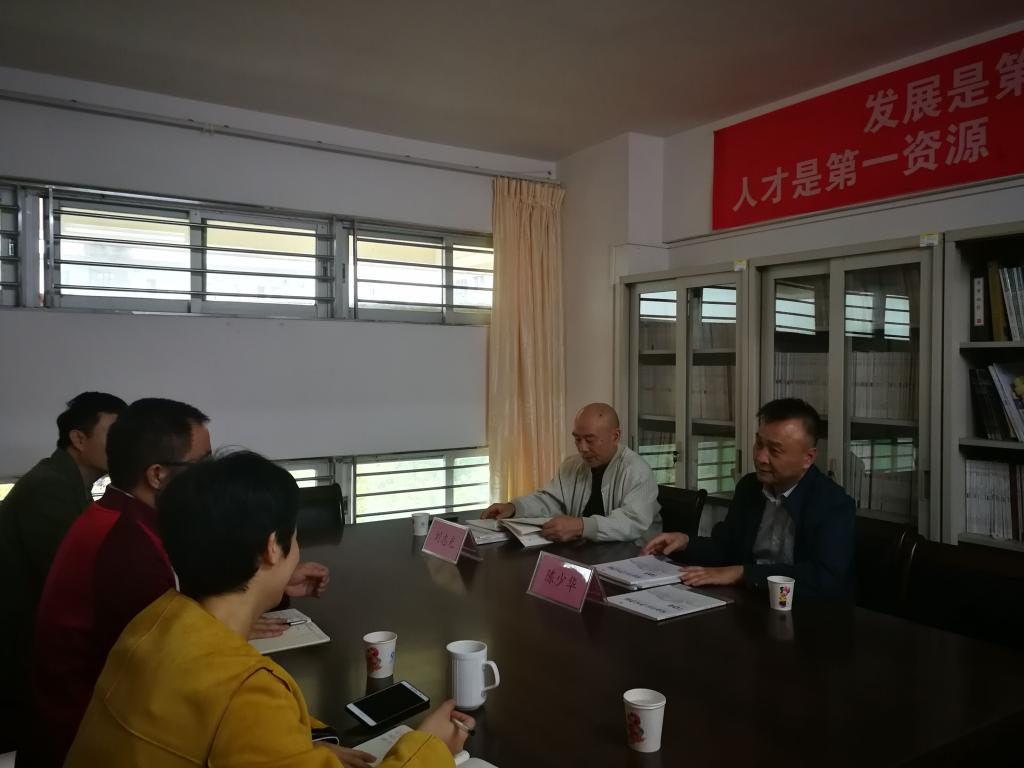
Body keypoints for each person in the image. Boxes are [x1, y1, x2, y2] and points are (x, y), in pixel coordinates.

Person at [65, 451, 473, 768]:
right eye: (293, 537)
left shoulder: (151, 621)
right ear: (272, 548)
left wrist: (303, 750)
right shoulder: (247, 693)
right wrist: (431, 746)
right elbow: (235, 716)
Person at [21, 398, 329, 768]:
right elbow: (188, 682)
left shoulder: (119, 518)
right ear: (157, 475)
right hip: (79, 736)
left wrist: (265, 584)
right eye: (202, 464)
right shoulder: (127, 549)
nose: (212, 476)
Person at [0, 391, 126, 754]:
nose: (124, 445)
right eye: (115, 435)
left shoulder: (71, 483)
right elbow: (78, 581)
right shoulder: (49, 487)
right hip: (22, 654)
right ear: (79, 439)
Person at [642, 398, 855, 598]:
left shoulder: (832, 503)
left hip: (803, 611)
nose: (761, 458)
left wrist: (742, 573)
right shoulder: (750, 487)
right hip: (751, 600)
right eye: (759, 444)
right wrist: (686, 543)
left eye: (775, 451)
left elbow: (824, 577)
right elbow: (726, 547)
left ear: (808, 458)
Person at [482, 403, 659, 542]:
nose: (583, 448)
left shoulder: (637, 470)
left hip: (634, 558)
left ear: (615, 436)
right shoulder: (572, 465)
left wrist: (581, 526)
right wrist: (515, 507)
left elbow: (632, 522)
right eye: (577, 439)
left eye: (590, 440)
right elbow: (550, 500)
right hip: (586, 554)